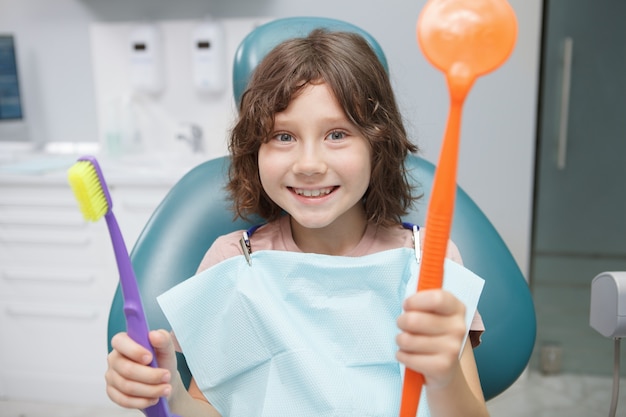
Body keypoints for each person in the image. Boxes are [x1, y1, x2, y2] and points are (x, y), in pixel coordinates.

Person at [105, 28, 488, 417]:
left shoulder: (427, 264)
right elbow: (209, 409)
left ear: (379, 144)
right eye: (283, 136)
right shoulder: (234, 264)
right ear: (254, 149)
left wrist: (444, 378)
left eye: (337, 134)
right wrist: (169, 395)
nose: (308, 164)